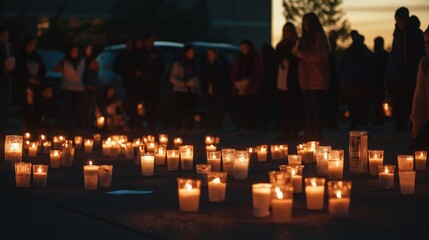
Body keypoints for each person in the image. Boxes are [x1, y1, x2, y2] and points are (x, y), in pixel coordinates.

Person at [385, 7, 425, 131]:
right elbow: (394, 55)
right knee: (398, 100)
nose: (397, 23)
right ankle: (399, 124)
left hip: (409, 74)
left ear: (404, 19)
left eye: (399, 20)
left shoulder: (416, 34)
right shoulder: (397, 34)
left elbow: (419, 55)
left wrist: (415, 73)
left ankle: (410, 124)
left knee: (409, 100)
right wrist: (389, 75)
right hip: (396, 74)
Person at [292, 12, 330, 141]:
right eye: (304, 23)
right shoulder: (304, 38)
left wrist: (301, 54)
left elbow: (320, 56)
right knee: (308, 109)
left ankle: (317, 135)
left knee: (317, 109)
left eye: (307, 22)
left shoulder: (318, 37)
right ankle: (309, 134)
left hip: (317, 79)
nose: (305, 25)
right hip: (305, 79)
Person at [338, 30, 374, 130]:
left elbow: (340, 68)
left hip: (349, 84)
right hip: (360, 84)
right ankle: (359, 123)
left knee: (352, 105)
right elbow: (370, 68)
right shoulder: (365, 53)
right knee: (360, 105)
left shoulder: (347, 53)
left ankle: (354, 124)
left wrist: (341, 81)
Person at [14, 35, 47, 131]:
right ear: (26, 45)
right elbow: (19, 71)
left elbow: (42, 70)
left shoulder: (37, 57)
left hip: (37, 86)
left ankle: (36, 126)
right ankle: (26, 126)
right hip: (25, 87)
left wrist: (39, 80)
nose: (32, 46)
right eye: (30, 44)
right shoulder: (20, 57)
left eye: (34, 44)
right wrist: (27, 79)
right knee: (26, 106)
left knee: (38, 106)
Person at [274, 22, 301, 140]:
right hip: (282, 77)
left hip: (294, 78)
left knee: (294, 106)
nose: (287, 33)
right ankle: (285, 131)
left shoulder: (297, 44)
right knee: (283, 106)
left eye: (289, 30)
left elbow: (296, 58)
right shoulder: (280, 45)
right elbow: (276, 57)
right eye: (285, 30)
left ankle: (294, 131)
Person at [231, 39, 262, 131]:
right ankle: (241, 124)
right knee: (241, 106)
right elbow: (233, 70)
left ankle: (250, 125)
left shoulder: (255, 56)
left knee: (250, 107)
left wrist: (248, 81)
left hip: (251, 87)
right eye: (242, 48)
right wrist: (235, 82)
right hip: (239, 86)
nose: (244, 49)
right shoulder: (239, 57)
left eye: (245, 47)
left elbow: (257, 71)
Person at [52, 43, 85, 129]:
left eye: (76, 52)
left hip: (78, 88)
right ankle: (64, 124)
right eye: (72, 52)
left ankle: (77, 125)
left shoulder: (81, 61)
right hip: (67, 87)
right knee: (67, 106)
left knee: (77, 108)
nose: (74, 53)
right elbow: (54, 69)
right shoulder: (64, 62)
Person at [170, 44, 199, 130]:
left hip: (192, 90)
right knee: (179, 110)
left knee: (191, 110)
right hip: (180, 91)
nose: (191, 54)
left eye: (193, 52)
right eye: (190, 52)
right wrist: (182, 83)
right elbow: (172, 78)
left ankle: (190, 127)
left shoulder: (195, 64)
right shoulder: (179, 64)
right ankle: (178, 127)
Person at [140, 32, 165, 131]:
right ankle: (144, 123)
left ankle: (152, 125)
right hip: (144, 84)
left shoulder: (157, 53)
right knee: (145, 106)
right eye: (149, 41)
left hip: (154, 83)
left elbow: (161, 66)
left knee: (154, 106)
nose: (151, 43)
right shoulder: (142, 53)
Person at [200, 47, 226, 131]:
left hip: (217, 89)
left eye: (212, 54)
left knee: (216, 108)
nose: (210, 56)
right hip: (207, 89)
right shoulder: (205, 65)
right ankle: (209, 126)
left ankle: (217, 126)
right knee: (209, 107)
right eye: (209, 54)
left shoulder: (219, 65)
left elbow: (221, 78)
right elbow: (202, 76)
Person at [410, 25, 429, 139]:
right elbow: (419, 99)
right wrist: (417, 125)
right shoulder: (425, 64)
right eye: (426, 42)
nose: (427, 46)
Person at [0, 23, 15, 134]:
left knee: (7, 99)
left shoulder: (8, 46)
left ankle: (5, 123)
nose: (6, 37)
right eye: (4, 35)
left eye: (7, 35)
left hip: (8, 75)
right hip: (2, 75)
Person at [260, 43, 278, 130]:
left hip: (266, 85)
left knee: (266, 106)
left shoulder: (264, 60)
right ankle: (272, 123)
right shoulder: (273, 60)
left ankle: (265, 124)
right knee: (271, 106)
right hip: (271, 85)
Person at [372, 36, 389, 127]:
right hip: (379, 82)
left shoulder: (374, 56)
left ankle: (378, 120)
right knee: (379, 102)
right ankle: (379, 120)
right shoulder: (385, 55)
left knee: (378, 103)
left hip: (379, 82)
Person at [82, 43, 99, 131]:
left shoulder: (94, 61)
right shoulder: (83, 60)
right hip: (85, 85)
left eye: (90, 49)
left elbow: (96, 70)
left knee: (90, 106)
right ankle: (85, 123)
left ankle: (90, 123)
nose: (89, 51)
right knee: (85, 105)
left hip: (92, 85)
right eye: (87, 49)